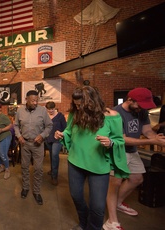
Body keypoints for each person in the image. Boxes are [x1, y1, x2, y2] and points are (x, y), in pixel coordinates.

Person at [54, 86, 129, 230]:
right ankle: (83, 223)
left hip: (99, 167)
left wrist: (110, 142)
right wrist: (63, 134)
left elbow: (120, 140)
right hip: (75, 162)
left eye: (81, 105)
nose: (78, 107)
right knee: (76, 197)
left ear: (92, 101)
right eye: (76, 105)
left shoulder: (112, 116)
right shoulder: (75, 114)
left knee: (98, 206)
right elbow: (69, 130)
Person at [103, 88, 165, 230]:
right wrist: (152, 142)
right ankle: (111, 222)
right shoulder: (116, 113)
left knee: (137, 178)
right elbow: (122, 140)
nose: (141, 109)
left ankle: (118, 203)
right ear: (130, 100)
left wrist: (156, 137)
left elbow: (147, 130)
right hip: (117, 151)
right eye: (139, 105)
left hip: (132, 151)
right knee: (115, 183)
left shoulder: (141, 111)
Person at [14, 90, 52, 205]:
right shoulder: (20, 111)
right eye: (33, 100)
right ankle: (25, 188)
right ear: (26, 100)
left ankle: (36, 191)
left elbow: (49, 126)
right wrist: (19, 136)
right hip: (25, 144)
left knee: (38, 169)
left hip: (38, 145)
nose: (35, 103)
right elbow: (16, 125)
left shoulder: (42, 111)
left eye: (37, 100)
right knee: (25, 167)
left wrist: (42, 135)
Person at [44, 101, 67, 186]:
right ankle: (52, 169)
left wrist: (61, 134)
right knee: (51, 155)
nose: (50, 111)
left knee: (54, 155)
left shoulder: (60, 116)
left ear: (55, 107)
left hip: (57, 139)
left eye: (52, 109)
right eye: (49, 109)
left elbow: (65, 128)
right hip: (48, 138)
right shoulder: (45, 116)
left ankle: (54, 176)